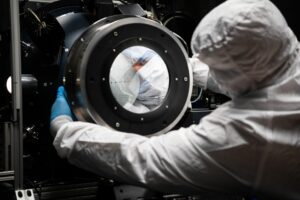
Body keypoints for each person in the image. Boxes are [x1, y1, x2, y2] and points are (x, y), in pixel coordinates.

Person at [50, 0, 300, 199]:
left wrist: (65, 131)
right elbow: (254, 75)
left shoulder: (247, 132)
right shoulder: (282, 58)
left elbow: (145, 158)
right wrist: (179, 69)